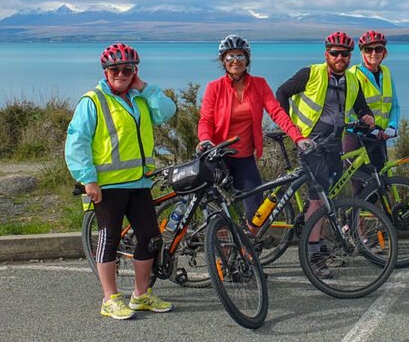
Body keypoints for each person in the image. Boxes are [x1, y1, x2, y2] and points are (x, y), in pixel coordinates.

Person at [65, 43, 177, 320]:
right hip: (107, 186)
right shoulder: (92, 101)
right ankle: (110, 299)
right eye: (115, 69)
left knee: (150, 238)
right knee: (109, 239)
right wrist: (88, 179)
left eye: (127, 69)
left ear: (134, 71)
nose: (121, 74)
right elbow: (77, 142)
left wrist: (145, 87)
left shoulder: (139, 99)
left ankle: (141, 296)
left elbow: (167, 112)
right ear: (105, 71)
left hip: (139, 183)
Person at [276, 31, 375, 277]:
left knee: (327, 196)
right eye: (335, 53)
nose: (340, 57)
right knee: (318, 199)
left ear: (350, 56)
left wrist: (366, 115)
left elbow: (361, 104)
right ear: (326, 54)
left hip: (334, 144)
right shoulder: (311, 73)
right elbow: (281, 92)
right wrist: (290, 128)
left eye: (344, 54)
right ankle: (313, 256)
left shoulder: (352, 81)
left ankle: (317, 240)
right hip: (311, 144)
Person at [197, 34, 312, 232]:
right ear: (223, 61)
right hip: (217, 156)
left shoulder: (259, 84)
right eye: (230, 56)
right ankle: (220, 254)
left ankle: (247, 250)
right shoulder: (214, 88)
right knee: (217, 210)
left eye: (240, 56)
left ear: (247, 60)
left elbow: (277, 112)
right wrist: (205, 139)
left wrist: (298, 137)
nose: (235, 61)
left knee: (256, 213)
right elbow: (206, 120)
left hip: (244, 156)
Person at [344, 30, 401, 189]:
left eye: (378, 49)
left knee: (381, 185)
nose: (373, 53)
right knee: (361, 186)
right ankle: (354, 213)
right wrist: (368, 128)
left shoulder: (386, 73)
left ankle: (372, 214)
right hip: (356, 136)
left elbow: (394, 105)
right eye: (368, 50)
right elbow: (346, 112)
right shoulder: (352, 75)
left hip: (380, 136)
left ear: (384, 52)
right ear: (362, 53)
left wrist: (392, 125)